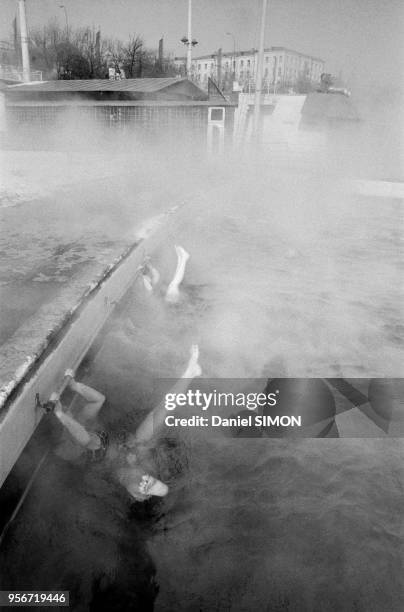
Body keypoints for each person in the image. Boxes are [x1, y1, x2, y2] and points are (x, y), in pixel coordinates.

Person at [44, 345, 202, 502]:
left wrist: (60, 414)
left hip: (96, 453)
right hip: (108, 442)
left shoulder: (106, 479)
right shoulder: (140, 460)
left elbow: (89, 451)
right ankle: (190, 373)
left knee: (96, 446)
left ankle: (62, 415)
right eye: (147, 479)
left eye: (143, 487)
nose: (142, 479)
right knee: (155, 418)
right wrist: (137, 447)